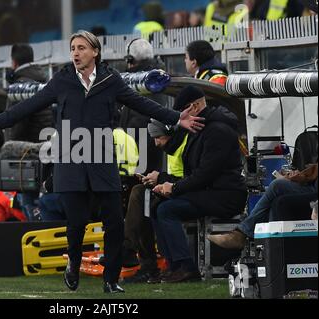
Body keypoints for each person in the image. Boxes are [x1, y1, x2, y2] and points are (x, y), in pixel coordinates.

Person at [0, 30, 204, 293]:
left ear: (95, 52)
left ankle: (111, 279)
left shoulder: (110, 80)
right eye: (73, 48)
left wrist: (176, 118)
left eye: (82, 48)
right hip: (70, 160)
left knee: (115, 222)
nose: (76, 53)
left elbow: (142, 104)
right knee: (77, 222)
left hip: (102, 159)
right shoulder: (62, 80)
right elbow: (31, 104)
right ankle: (73, 261)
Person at [152, 85, 248, 283]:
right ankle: (174, 265)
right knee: (157, 206)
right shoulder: (201, 128)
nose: (180, 118)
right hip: (210, 192)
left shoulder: (217, 131)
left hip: (224, 195)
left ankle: (186, 267)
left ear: (194, 107)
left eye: (182, 112)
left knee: (167, 210)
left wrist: (175, 188)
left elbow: (205, 174)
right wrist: (167, 185)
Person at [122, 119, 188, 284]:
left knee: (146, 202)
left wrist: (161, 179)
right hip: (175, 190)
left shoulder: (185, 145)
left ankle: (132, 252)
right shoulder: (173, 146)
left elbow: (192, 178)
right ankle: (140, 258)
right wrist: (155, 180)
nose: (156, 143)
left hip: (186, 193)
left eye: (158, 137)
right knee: (142, 198)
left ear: (169, 132)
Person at [208, 164, 317, 249]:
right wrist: (303, 175)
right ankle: (269, 249)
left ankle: (243, 235)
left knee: (277, 186)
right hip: (312, 185)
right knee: (276, 199)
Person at [120, 38, 167, 176]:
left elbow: (137, 125)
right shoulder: (154, 79)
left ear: (131, 60)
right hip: (147, 155)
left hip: (140, 158)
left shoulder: (143, 84)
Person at [6, 43, 53, 143]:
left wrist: (9, 148)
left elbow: (16, 125)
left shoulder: (20, 88)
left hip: (30, 150)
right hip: (48, 144)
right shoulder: (43, 80)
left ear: (14, 63)